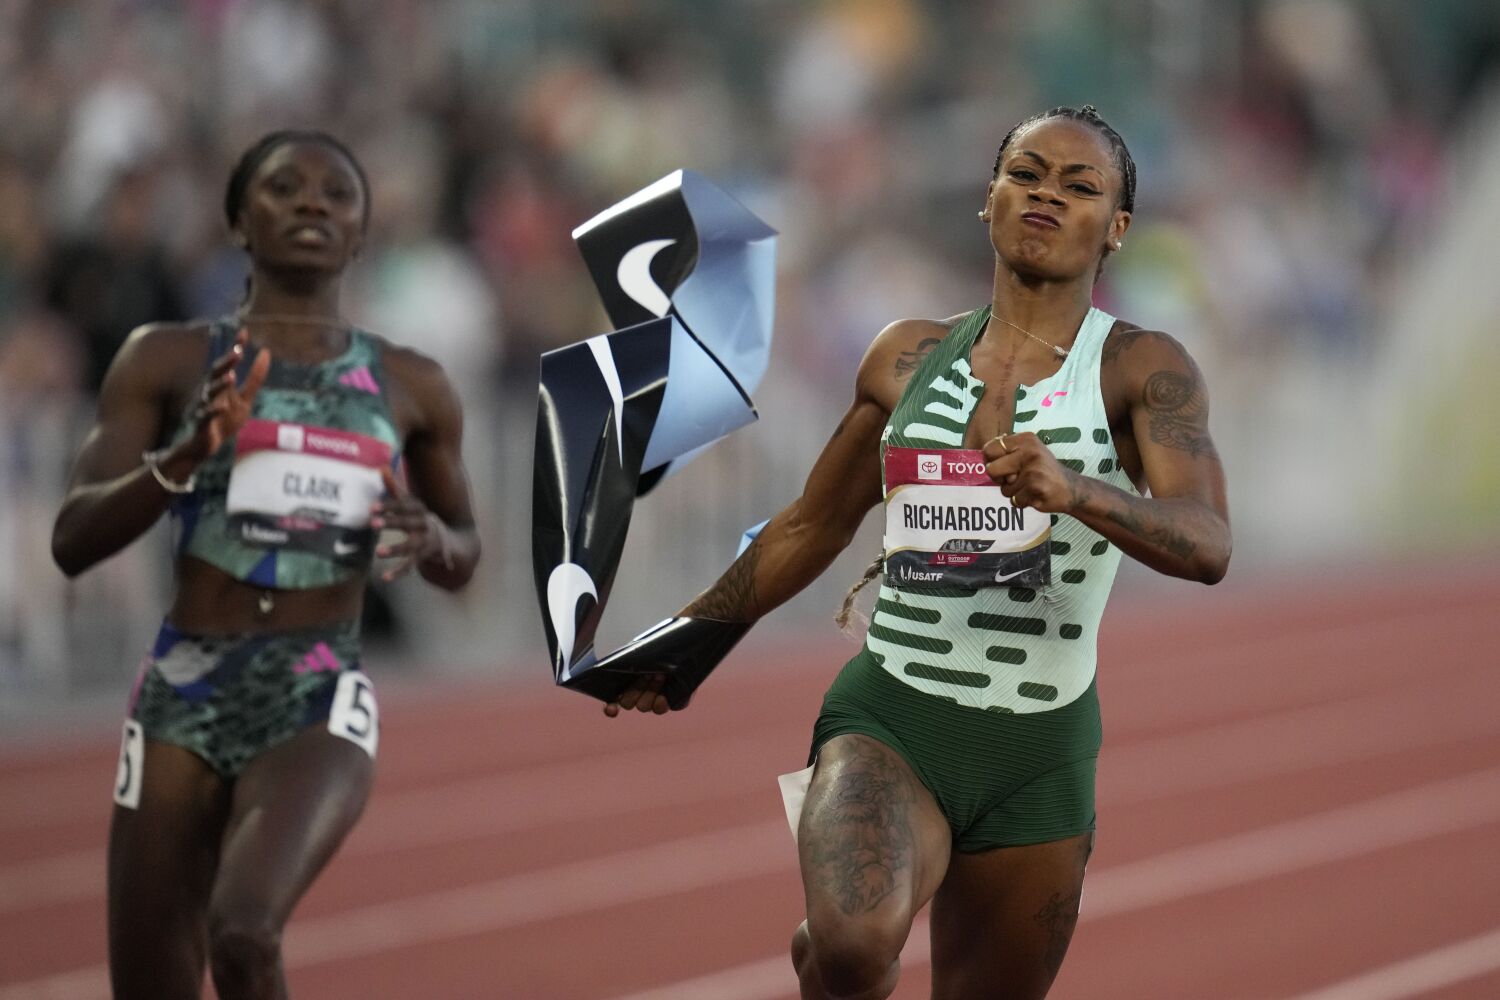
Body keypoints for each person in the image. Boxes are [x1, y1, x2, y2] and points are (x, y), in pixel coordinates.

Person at [605, 105, 1231, 999]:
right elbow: (812, 524)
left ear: (1117, 228)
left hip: (1041, 749)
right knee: (859, 947)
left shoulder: (1141, 371)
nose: (1047, 194)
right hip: (895, 715)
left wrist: (1078, 491)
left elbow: (1208, 543)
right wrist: (689, 638)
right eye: (1026, 174)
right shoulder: (906, 358)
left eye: (1080, 185)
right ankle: (832, 951)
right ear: (989, 200)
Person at [51, 130, 481, 1000]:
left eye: (337, 193)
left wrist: (434, 540)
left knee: (244, 930)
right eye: (285, 188)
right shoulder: (166, 359)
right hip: (183, 686)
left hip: (315, 686)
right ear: (240, 222)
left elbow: (465, 550)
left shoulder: (410, 383)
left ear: (361, 232)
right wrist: (186, 454)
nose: (314, 203)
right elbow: (73, 539)